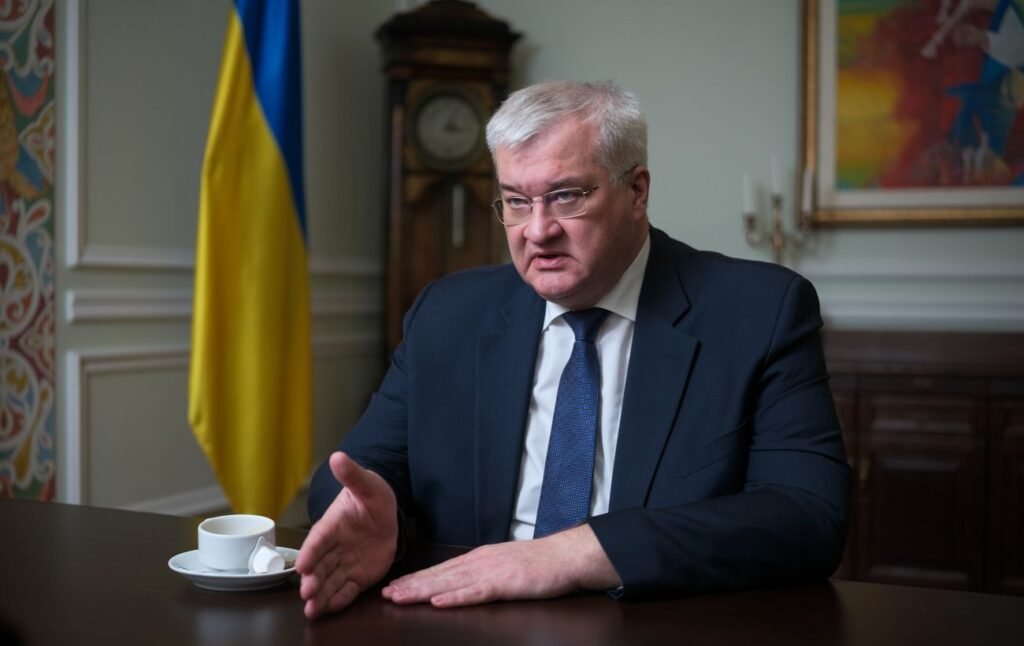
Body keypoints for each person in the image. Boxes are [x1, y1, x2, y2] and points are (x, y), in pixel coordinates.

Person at [296, 80, 851, 619]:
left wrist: (576, 553)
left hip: (656, 620)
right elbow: (364, 467)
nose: (537, 231)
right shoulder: (448, 313)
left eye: (566, 196)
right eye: (517, 201)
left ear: (637, 191)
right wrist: (371, 508)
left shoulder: (758, 311)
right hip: (463, 619)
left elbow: (807, 516)